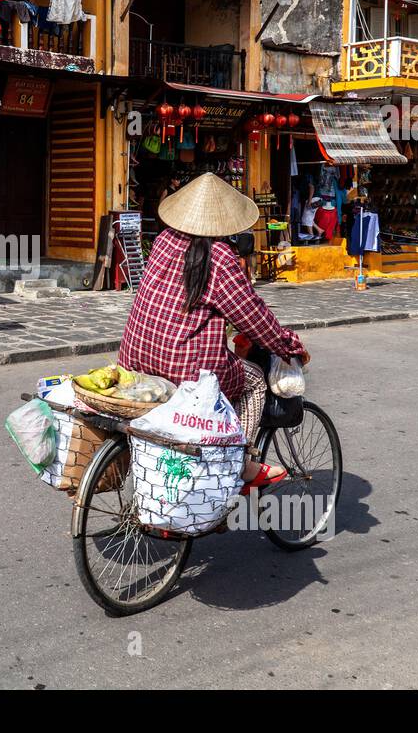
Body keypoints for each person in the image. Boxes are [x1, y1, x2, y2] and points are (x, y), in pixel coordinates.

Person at [118, 173, 309, 493]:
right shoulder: (219, 256)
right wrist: (287, 344)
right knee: (254, 382)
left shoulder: (164, 240)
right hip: (183, 368)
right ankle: (240, 465)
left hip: (135, 356)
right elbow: (252, 315)